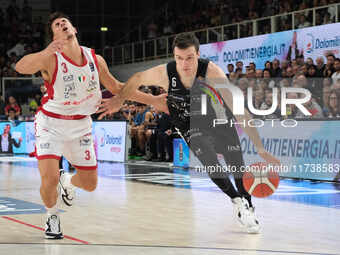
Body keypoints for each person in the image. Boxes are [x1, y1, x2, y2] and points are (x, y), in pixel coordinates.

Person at [97, 33, 280, 234]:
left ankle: (247, 202)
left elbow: (239, 110)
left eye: (190, 58)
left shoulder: (212, 71)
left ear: (198, 54)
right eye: (179, 58)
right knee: (210, 160)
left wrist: (260, 148)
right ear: (174, 57)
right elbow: (137, 79)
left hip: (218, 119)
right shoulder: (165, 73)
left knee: (236, 166)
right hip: (189, 124)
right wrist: (120, 99)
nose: (184, 64)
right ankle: (238, 202)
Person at [15, 12, 164, 239]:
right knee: (49, 178)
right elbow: (20, 67)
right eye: (57, 24)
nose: (63, 24)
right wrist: (46, 51)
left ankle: (69, 181)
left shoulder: (95, 59)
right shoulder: (50, 58)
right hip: (50, 123)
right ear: (54, 35)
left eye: (65, 22)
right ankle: (52, 215)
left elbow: (116, 87)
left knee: (90, 184)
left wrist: (153, 100)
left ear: (74, 29)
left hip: (81, 124)